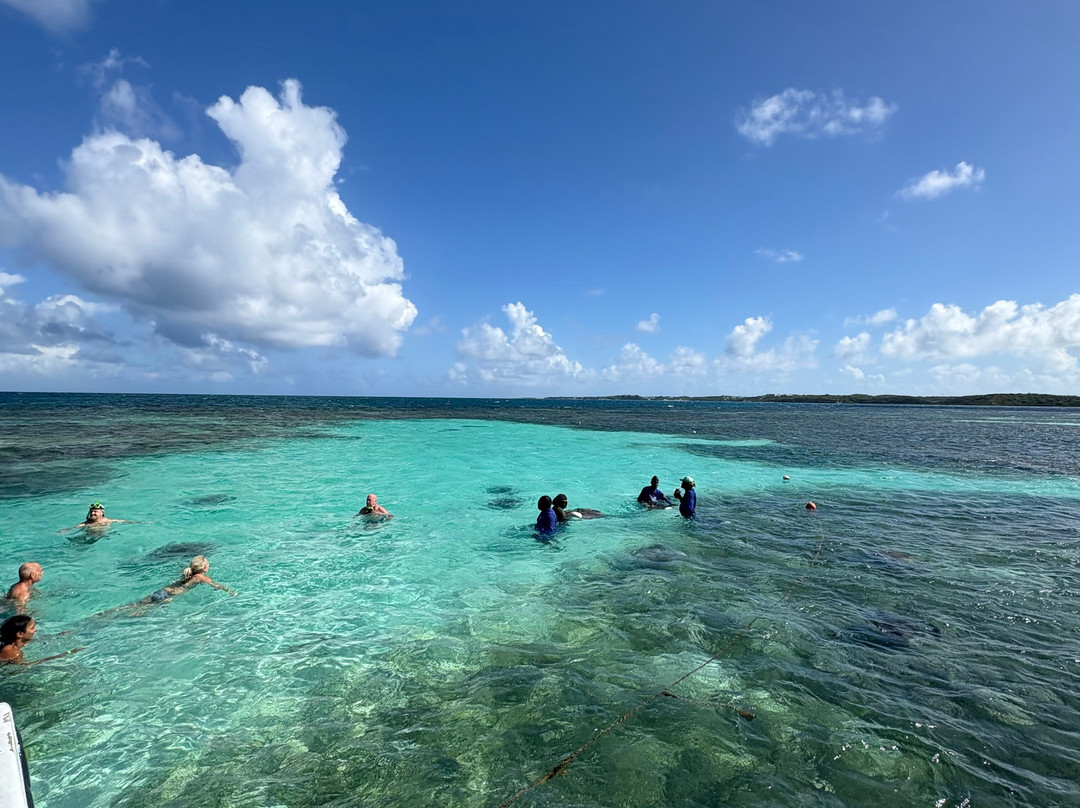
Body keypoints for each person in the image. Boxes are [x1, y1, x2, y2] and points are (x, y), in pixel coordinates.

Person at [0, 615, 83, 665]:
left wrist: (58, 635)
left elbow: (38, 639)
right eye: (32, 628)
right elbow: (29, 666)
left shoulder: (15, 641)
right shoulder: (13, 652)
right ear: (20, 634)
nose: (35, 630)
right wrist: (66, 653)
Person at [59, 502, 134, 533]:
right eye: (91, 511)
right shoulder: (86, 524)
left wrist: (137, 522)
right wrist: (64, 530)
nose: (92, 513)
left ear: (102, 512)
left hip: (105, 537)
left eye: (95, 511)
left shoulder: (108, 521)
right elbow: (73, 528)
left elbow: (124, 521)